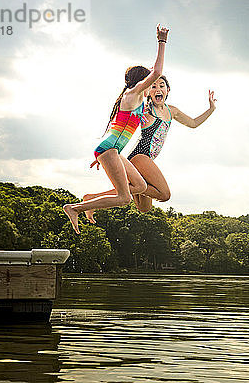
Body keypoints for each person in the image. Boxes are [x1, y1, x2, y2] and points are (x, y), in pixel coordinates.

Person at [63, 25, 169, 234]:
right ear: (141, 82)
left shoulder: (136, 100)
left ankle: (91, 199)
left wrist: (101, 155)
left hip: (111, 151)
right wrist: (161, 41)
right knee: (124, 198)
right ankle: (74, 208)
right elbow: (157, 72)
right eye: (150, 82)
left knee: (139, 186)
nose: (154, 84)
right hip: (109, 150)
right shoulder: (132, 94)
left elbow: (113, 128)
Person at [82, 76, 216, 222]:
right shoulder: (145, 110)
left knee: (144, 208)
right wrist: (107, 152)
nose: (158, 89)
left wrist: (211, 109)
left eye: (162, 86)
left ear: (168, 90)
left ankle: (95, 197)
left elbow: (194, 123)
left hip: (146, 160)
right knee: (164, 194)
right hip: (139, 156)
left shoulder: (173, 111)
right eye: (153, 86)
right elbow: (123, 126)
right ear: (148, 92)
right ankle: (98, 198)